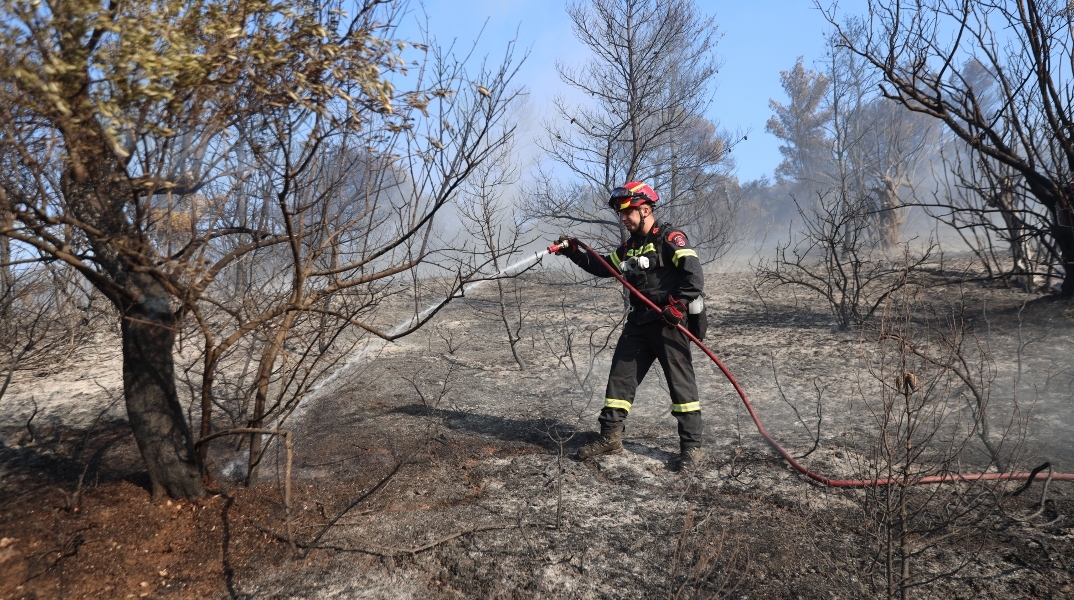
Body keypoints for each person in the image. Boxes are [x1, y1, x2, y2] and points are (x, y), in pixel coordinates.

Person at [554, 181, 706, 471]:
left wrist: (677, 306)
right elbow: (603, 267)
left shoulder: (671, 238)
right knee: (619, 379)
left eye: (627, 213)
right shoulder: (631, 246)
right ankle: (610, 437)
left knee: (680, 386)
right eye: (621, 215)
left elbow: (694, 278)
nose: (623, 219)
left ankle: (692, 449)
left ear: (645, 209)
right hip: (639, 322)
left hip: (668, 323)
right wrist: (573, 252)